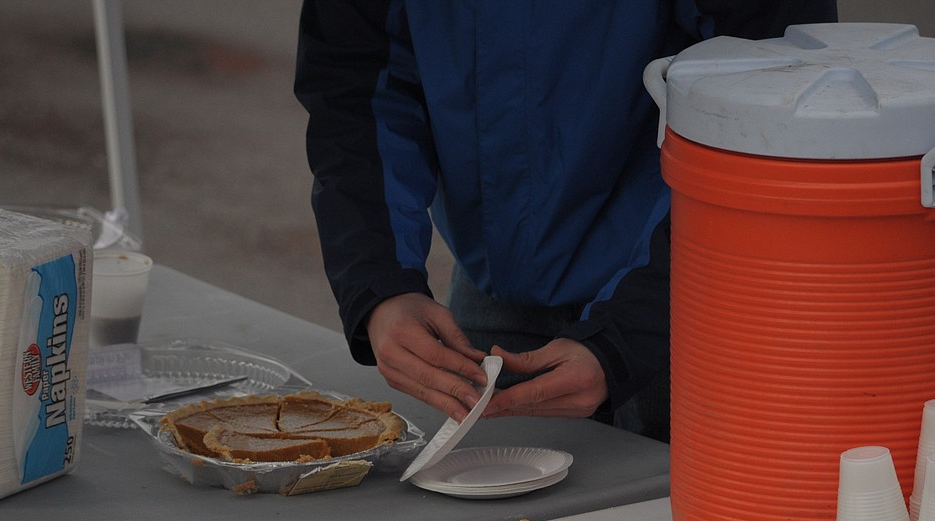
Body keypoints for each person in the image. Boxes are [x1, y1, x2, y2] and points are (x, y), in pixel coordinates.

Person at [294, 1, 837, 442]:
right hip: (497, 282)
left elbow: (775, 111)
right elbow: (358, 87)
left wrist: (626, 337)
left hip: (680, 284)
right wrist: (382, 282)